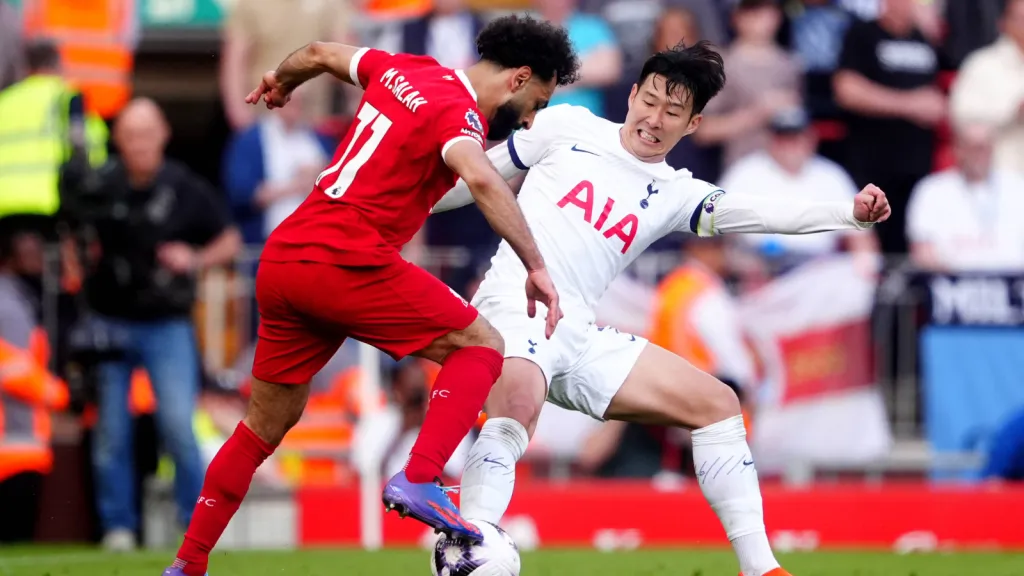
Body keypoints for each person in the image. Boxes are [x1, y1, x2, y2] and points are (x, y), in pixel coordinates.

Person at [432, 42, 891, 576]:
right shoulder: (568, 126)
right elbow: (475, 178)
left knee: (717, 404)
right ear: (632, 94)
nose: (654, 118)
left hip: (579, 331)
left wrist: (848, 214)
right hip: (515, 303)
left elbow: (761, 214)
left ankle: (762, 569)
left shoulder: (676, 193)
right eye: (649, 101)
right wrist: (393, 202)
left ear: (693, 124)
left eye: (673, 112)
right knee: (518, 404)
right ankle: (473, 547)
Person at [164, 14, 580, 576]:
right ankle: (421, 476)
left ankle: (187, 564)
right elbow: (481, 178)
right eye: (539, 99)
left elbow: (316, 51)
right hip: (344, 257)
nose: (533, 116)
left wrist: (280, 81)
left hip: (286, 257)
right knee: (480, 346)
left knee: (263, 426)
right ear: (519, 77)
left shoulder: (401, 68)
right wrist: (537, 265)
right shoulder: (460, 116)